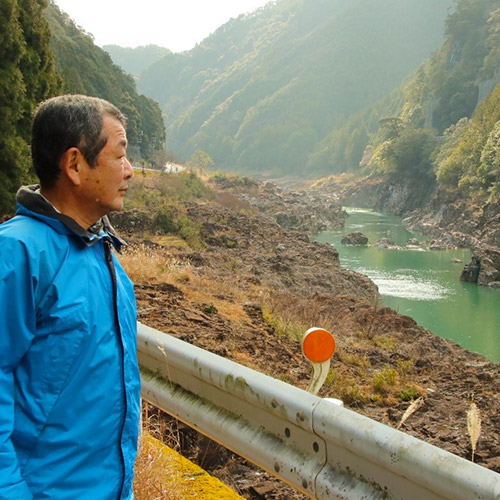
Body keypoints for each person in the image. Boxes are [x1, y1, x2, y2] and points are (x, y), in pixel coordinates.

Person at [0, 94, 141, 499]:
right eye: (120, 155)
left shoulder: (103, 254)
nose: (129, 171)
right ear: (75, 165)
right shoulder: (17, 254)